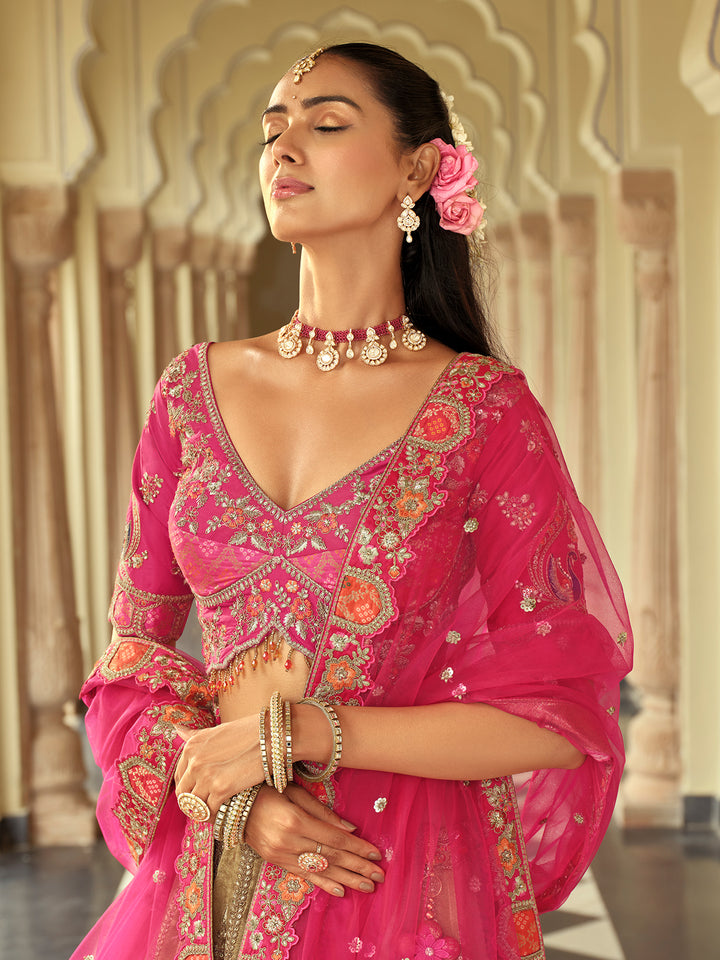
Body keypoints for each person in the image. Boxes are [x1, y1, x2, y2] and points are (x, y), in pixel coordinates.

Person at [71, 42, 632, 960]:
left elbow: (556, 713)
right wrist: (235, 792)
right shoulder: (190, 391)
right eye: (273, 130)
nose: (285, 149)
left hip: (394, 871)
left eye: (326, 125)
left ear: (417, 168)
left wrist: (297, 736)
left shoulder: (484, 410)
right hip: (213, 873)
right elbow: (133, 649)